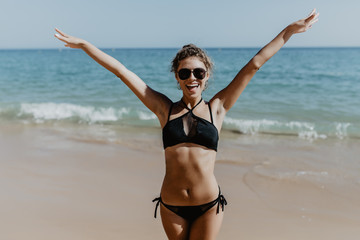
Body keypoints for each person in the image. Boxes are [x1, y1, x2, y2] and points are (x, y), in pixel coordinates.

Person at [54, 9, 319, 240]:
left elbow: (255, 64)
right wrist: (86, 45)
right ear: (178, 78)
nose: (191, 78)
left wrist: (289, 31)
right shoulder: (164, 108)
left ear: (206, 77)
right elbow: (122, 72)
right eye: (184, 73)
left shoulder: (218, 107)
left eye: (198, 73)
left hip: (209, 205)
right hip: (172, 206)